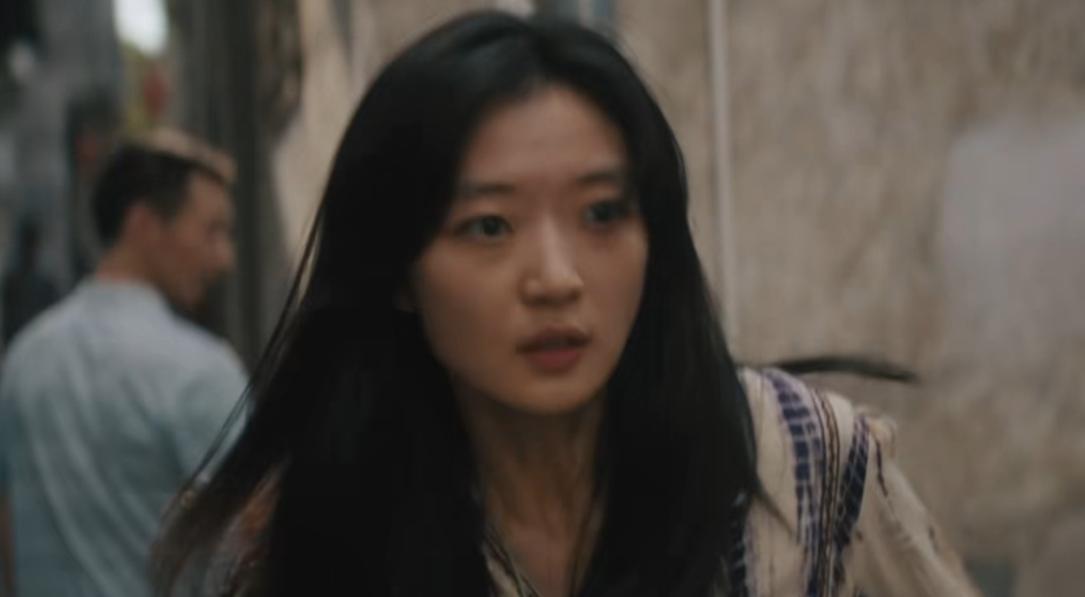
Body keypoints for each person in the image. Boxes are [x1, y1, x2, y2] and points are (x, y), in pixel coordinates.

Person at [154, 12, 980, 597]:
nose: (555, 278)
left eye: (602, 213)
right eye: (488, 226)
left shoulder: (806, 464)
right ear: (398, 272)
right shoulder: (322, 531)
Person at [0, 130, 246, 597]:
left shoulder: (24, 361)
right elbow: (250, 555)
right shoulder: (200, 371)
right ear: (144, 225)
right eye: (211, 230)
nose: (224, 258)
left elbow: (9, 537)